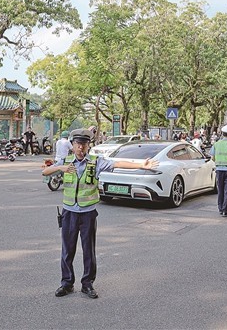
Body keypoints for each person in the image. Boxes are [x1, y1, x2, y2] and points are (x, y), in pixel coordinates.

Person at [42, 128, 159, 299]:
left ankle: (87, 284)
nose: (80, 147)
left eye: (84, 144)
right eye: (77, 144)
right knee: (67, 250)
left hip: (88, 213)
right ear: (72, 145)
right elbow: (45, 172)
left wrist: (141, 165)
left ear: (88, 146)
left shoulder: (95, 162)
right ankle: (66, 283)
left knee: (88, 250)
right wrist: (61, 168)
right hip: (69, 213)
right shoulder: (65, 161)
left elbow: (117, 163)